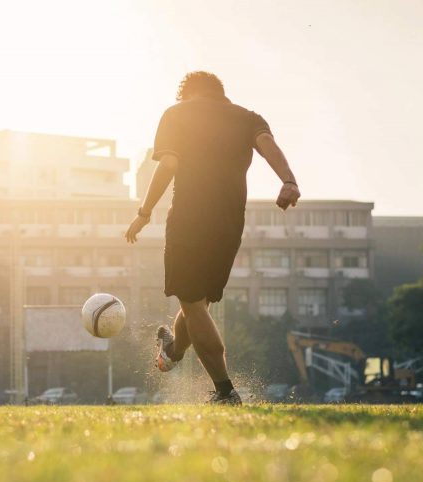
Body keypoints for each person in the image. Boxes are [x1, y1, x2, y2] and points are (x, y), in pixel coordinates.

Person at [125, 71, 300, 405]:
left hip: (190, 220)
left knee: (191, 303)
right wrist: (289, 181)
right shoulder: (248, 118)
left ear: (186, 94)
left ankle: (224, 391)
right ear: (221, 93)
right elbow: (269, 147)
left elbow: (169, 164)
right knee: (198, 304)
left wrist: (144, 212)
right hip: (230, 224)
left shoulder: (176, 114)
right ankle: (174, 350)